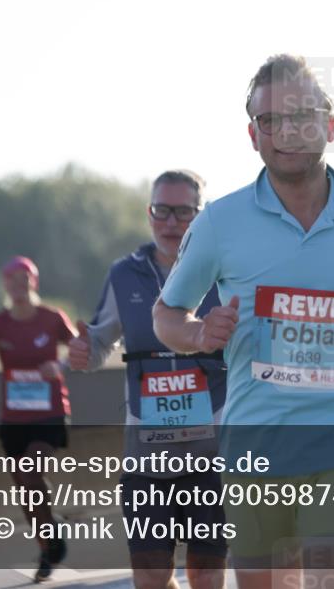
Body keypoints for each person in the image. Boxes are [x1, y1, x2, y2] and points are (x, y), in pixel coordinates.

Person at [153, 54, 334, 589]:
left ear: (331, 124)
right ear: (253, 135)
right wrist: (198, 333)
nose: (286, 131)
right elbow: (167, 314)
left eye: (300, 115)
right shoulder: (219, 222)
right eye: (270, 119)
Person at [68, 170, 229, 589]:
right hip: (147, 458)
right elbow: (99, 340)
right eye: (162, 210)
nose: (171, 222)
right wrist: (85, 351)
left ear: (201, 215)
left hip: (213, 455)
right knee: (151, 577)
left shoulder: (226, 272)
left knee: (206, 576)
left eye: (183, 212)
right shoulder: (125, 274)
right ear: (149, 213)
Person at [0, 256, 77, 582]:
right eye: (12, 280)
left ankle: (49, 539)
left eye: (24, 278)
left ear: (34, 282)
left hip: (49, 412)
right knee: (24, 489)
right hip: (14, 416)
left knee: (31, 472)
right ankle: (47, 542)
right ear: (5, 285)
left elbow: (79, 351)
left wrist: (58, 366)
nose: (18, 285)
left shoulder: (52, 318)